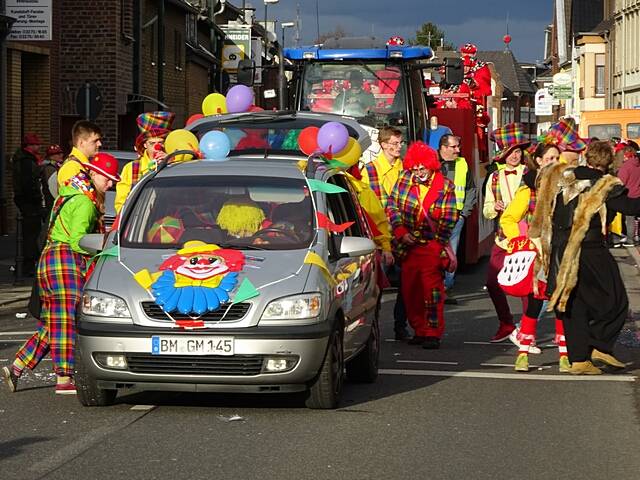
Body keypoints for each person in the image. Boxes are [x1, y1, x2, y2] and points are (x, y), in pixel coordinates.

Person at [2, 153, 121, 394]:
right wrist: (106, 245)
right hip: (65, 260)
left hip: (51, 260)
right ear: (94, 174)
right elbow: (79, 241)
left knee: (55, 321)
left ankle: (17, 366)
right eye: (107, 180)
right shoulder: (85, 202)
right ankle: (64, 379)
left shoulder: (71, 193)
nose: (109, 186)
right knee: (67, 320)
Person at [530, 140, 640, 374]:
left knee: (573, 303)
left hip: (560, 249)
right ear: (609, 161)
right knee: (616, 300)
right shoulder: (604, 184)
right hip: (590, 250)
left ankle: (579, 359)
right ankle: (599, 345)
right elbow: (630, 207)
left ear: (587, 157)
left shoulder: (562, 175)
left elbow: (532, 179)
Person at [499, 142, 571, 372]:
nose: (555, 162)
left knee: (562, 302)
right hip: (539, 254)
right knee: (535, 302)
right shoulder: (529, 189)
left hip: (562, 251)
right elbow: (508, 219)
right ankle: (522, 354)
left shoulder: (567, 186)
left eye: (557, 158)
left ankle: (564, 355)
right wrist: (518, 241)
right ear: (539, 161)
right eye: (550, 158)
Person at [386, 141, 458, 349]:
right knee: (411, 291)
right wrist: (400, 231)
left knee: (432, 292)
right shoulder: (404, 179)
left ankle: (432, 332)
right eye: (415, 168)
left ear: (430, 165)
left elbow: (449, 217)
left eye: (422, 168)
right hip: (408, 247)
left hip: (431, 246)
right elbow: (392, 205)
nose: (419, 172)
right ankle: (419, 328)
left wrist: (439, 245)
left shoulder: (444, 186)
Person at [360, 126, 408, 340]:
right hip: (378, 236)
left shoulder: (405, 170)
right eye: (394, 143)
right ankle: (372, 328)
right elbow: (365, 207)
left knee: (406, 285)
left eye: (400, 143)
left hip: (401, 234)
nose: (399, 147)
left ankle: (401, 326)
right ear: (383, 145)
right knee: (375, 288)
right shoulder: (369, 170)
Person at [483, 123, 529, 342]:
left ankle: (529, 330)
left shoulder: (530, 174)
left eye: (518, 151)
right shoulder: (493, 178)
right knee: (493, 282)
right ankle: (506, 323)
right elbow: (486, 210)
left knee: (527, 288)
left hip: (525, 237)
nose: (515, 156)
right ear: (503, 155)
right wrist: (495, 207)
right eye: (511, 152)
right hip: (503, 238)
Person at [438, 134, 477, 297]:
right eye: (454, 147)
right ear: (443, 148)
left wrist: (464, 213)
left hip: (456, 216)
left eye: (458, 147)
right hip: (435, 217)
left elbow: (470, 189)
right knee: (434, 251)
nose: (458, 150)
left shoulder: (462, 164)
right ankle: (436, 283)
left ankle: (447, 285)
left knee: (451, 252)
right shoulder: (432, 163)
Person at [114, 111, 174, 213]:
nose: (157, 148)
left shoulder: (174, 164)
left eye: (161, 143)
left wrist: (169, 164)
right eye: (152, 143)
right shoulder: (131, 168)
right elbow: (121, 203)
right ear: (145, 144)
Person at [12, 133, 44, 276]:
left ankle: (27, 264)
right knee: (31, 235)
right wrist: (37, 200)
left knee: (30, 234)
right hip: (29, 203)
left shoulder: (24, 159)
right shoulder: (26, 161)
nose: (38, 146)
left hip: (26, 201)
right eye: (36, 144)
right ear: (29, 146)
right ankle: (27, 265)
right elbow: (29, 183)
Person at [57, 120, 103, 188]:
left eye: (99, 140)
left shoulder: (80, 165)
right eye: (95, 141)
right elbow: (76, 198)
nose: (99, 144)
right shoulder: (71, 167)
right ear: (81, 143)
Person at [615, 143, 640, 245]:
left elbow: (621, 182)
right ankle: (635, 236)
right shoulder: (638, 164)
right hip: (638, 194)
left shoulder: (626, 167)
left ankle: (630, 239)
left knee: (629, 219)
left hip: (628, 195)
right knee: (634, 218)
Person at [40, 144, 65, 217]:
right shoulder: (49, 169)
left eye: (61, 153)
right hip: (50, 203)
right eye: (58, 154)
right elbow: (53, 187)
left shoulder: (55, 166)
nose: (61, 155)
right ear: (51, 156)